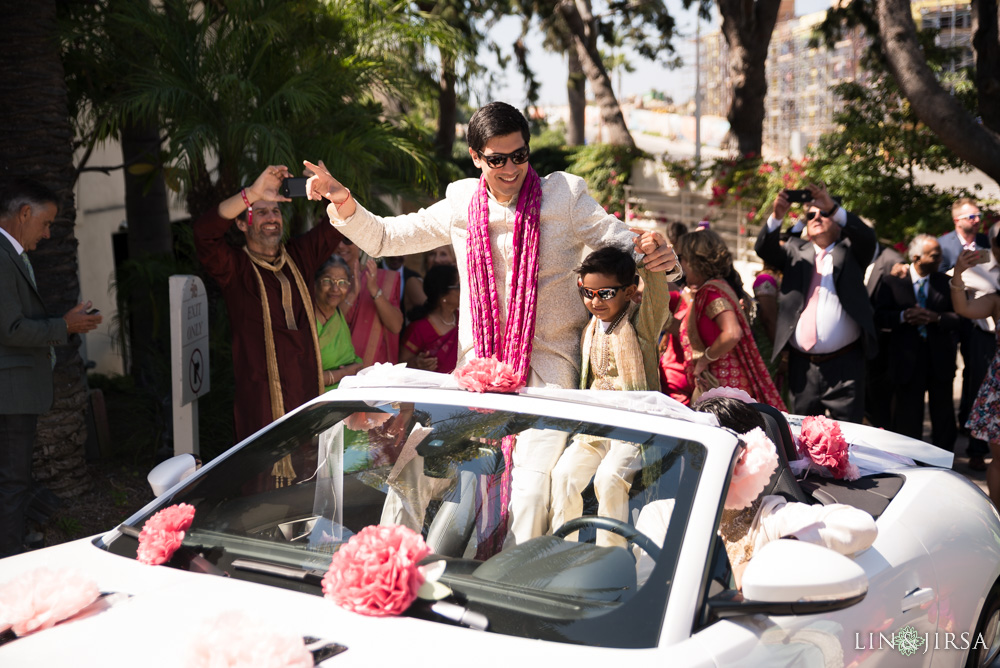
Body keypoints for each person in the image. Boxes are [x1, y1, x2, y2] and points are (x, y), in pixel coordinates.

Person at [303, 101, 680, 547]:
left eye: (519, 156)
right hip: (476, 378)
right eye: (497, 159)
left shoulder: (565, 196)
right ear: (476, 157)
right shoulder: (462, 201)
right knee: (411, 477)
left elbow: (627, 244)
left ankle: (515, 597)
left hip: (550, 380)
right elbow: (387, 237)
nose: (510, 169)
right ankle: (385, 571)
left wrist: (663, 257)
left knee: (532, 492)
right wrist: (342, 200)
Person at [193, 165, 342, 444]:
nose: (271, 218)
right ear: (241, 223)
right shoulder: (235, 269)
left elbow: (338, 224)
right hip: (261, 408)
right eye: (260, 211)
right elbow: (204, 233)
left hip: (307, 399)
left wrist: (331, 190)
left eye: (275, 211)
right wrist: (250, 194)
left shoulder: (300, 255)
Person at [0, 178, 102, 557]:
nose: (46, 234)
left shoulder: (10, 253)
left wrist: (64, 322)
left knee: (12, 483)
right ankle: (9, 566)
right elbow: (9, 328)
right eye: (45, 223)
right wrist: (64, 326)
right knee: (12, 484)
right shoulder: (1, 253)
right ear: (24, 213)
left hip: (14, 392)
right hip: (9, 394)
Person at [550, 243, 670, 547]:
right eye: (587, 293)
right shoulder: (589, 325)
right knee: (564, 475)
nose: (594, 301)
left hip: (633, 425)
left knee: (609, 479)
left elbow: (657, 291)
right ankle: (561, 553)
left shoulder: (641, 322)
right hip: (595, 424)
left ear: (629, 292)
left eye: (605, 293)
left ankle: (610, 560)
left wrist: (647, 249)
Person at [755, 184, 877, 422]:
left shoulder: (852, 251)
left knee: (849, 437)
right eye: (811, 214)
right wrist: (778, 216)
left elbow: (867, 236)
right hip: (803, 365)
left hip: (845, 365)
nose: (817, 217)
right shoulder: (795, 251)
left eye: (823, 213)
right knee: (804, 436)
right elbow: (764, 249)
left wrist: (830, 206)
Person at [676, 229, 786, 409]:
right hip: (726, 386)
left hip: (723, 388)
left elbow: (732, 333)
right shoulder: (718, 287)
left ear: (694, 260)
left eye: (682, 258)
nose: (682, 265)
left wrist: (705, 359)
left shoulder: (711, 292)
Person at [874, 235, 958, 449]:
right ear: (916, 257)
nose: (940, 259)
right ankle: (910, 459)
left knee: (943, 414)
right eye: (934, 256)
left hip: (939, 360)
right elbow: (879, 316)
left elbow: (960, 318)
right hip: (906, 360)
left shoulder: (944, 283)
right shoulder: (892, 281)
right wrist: (904, 316)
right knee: (907, 415)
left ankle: (943, 461)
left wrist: (936, 318)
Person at [939, 199, 994, 469]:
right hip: (949, 319)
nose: (976, 219)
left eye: (978, 215)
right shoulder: (943, 244)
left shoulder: (989, 241)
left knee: (977, 376)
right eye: (971, 215)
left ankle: (976, 447)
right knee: (948, 375)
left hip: (981, 320)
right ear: (957, 220)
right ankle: (951, 436)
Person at [951, 246, 1000, 507]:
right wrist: (959, 272)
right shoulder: (995, 299)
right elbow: (963, 308)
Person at [334, 237, 404, 367]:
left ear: (360, 243)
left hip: (374, 372)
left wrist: (374, 289)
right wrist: (353, 294)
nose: (341, 246)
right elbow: (326, 325)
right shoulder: (322, 280)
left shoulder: (382, 279)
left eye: (347, 240)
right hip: (335, 367)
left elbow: (396, 326)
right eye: (335, 240)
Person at [313, 256, 364, 390]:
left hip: (347, 396)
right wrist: (345, 373)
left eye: (342, 282)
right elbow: (302, 376)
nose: (335, 289)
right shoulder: (305, 321)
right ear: (315, 282)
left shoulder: (337, 313)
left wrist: (354, 292)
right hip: (317, 400)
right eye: (328, 281)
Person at [400, 264, 460, 374]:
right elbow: (401, 364)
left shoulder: (465, 320)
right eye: (458, 287)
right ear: (443, 296)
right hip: (431, 389)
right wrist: (417, 363)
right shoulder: (419, 328)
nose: (465, 290)